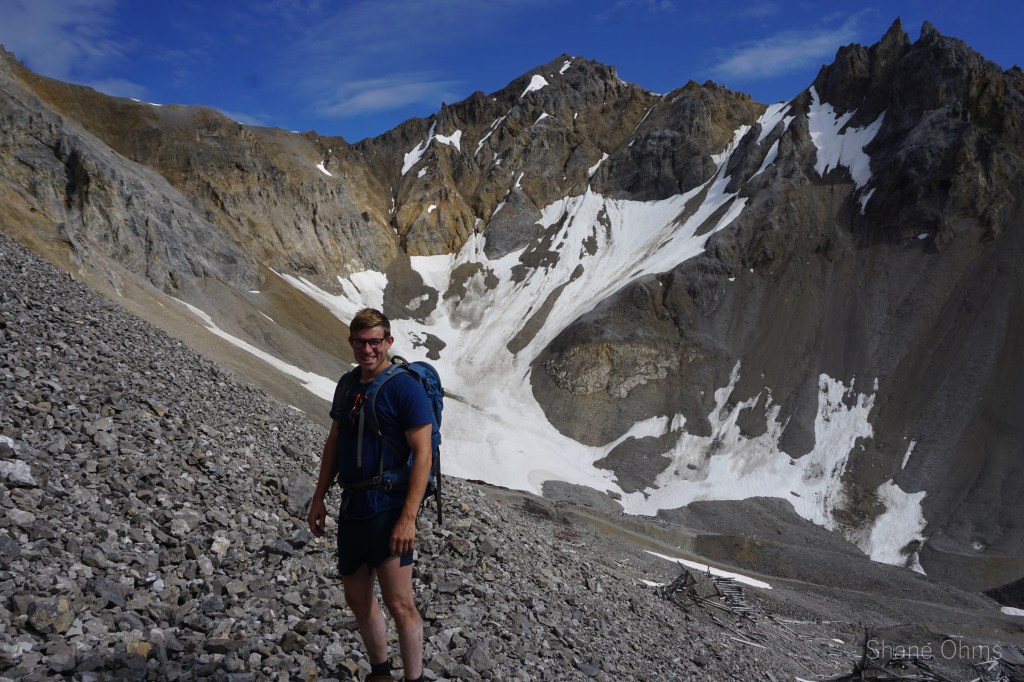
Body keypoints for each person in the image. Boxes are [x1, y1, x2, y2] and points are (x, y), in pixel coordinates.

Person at [308, 308, 433, 682]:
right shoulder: (347, 385)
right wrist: (319, 497)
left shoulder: (404, 388)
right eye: (360, 342)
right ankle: (381, 673)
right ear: (351, 342)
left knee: (400, 602)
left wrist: (408, 518)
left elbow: (423, 454)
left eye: (375, 342)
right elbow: (334, 441)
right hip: (353, 507)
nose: (367, 349)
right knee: (358, 599)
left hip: (389, 509)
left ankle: (414, 678)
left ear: (388, 342)